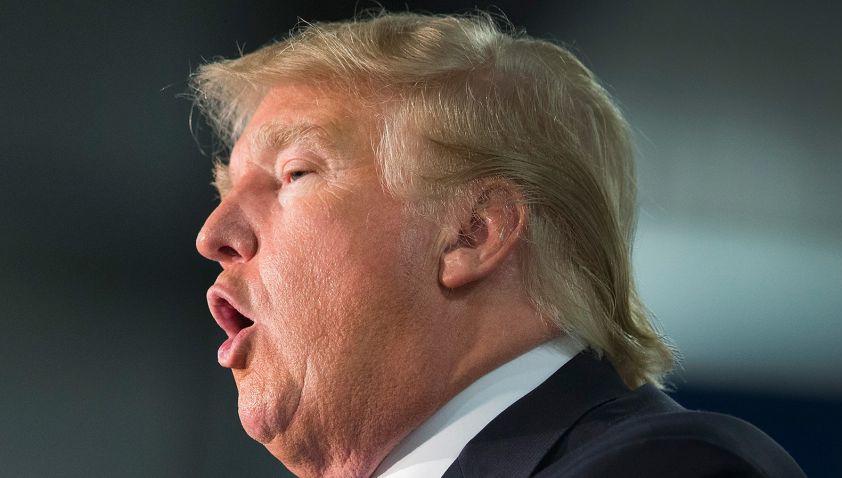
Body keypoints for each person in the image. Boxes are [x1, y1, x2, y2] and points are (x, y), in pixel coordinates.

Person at [193, 11, 805, 478]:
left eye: (295, 173)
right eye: (226, 187)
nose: (213, 235)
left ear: (471, 233)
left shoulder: (665, 468)